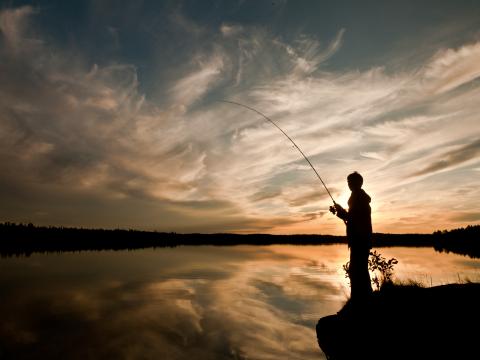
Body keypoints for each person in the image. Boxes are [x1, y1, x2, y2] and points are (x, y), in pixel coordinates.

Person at [330, 171, 373, 301]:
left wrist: (340, 212)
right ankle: (362, 299)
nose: (348, 184)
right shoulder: (359, 198)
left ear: (357, 183)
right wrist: (339, 211)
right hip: (360, 239)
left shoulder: (358, 198)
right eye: (348, 182)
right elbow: (352, 217)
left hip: (359, 240)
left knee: (357, 271)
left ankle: (359, 301)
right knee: (359, 271)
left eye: (350, 182)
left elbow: (352, 218)